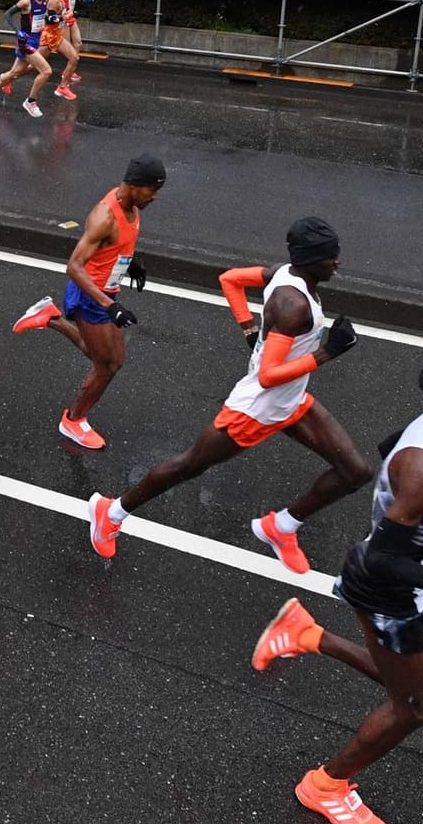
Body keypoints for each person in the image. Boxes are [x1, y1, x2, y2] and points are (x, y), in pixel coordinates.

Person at [252, 349, 423, 824]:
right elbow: (383, 559)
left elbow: (388, 449)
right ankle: (325, 785)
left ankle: (307, 634)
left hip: (413, 582)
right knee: (412, 709)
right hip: (385, 591)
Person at [86, 217, 373, 570]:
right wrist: (328, 352)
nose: (338, 262)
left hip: (292, 401)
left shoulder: (283, 273)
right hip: (257, 407)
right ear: (311, 259)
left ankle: (281, 527)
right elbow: (268, 376)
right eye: (331, 257)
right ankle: (110, 512)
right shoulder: (292, 304)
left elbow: (230, 281)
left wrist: (250, 329)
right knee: (189, 465)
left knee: (356, 472)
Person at [13, 156, 163, 449]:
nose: (155, 197)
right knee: (106, 365)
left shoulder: (132, 206)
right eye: (152, 190)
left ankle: (50, 317)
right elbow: (74, 266)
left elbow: (115, 246)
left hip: (107, 291)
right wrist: (110, 306)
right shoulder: (104, 217)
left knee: (112, 359)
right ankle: (73, 419)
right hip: (90, 294)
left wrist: (131, 263)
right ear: (134, 186)